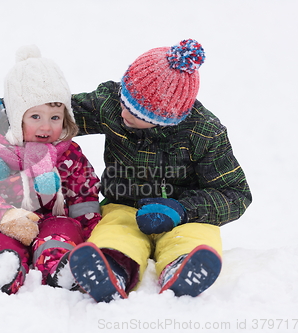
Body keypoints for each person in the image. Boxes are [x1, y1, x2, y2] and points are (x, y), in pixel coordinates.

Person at [67, 39, 252, 302]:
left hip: (182, 214)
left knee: (197, 233)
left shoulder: (204, 133)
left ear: (165, 119)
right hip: (124, 204)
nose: (124, 111)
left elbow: (235, 193)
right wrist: (8, 112)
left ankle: (183, 266)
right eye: (124, 100)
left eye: (136, 112)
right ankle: (111, 267)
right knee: (115, 229)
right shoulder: (112, 103)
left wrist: (182, 209)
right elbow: (60, 115)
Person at [0, 45, 101, 295]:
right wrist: (3, 216)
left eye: (55, 117)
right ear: (16, 116)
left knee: (63, 231)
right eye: (35, 117)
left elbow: (83, 193)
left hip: (53, 218)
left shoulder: (68, 153)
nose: (46, 126)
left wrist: (92, 230)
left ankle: (61, 266)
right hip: (0, 220)